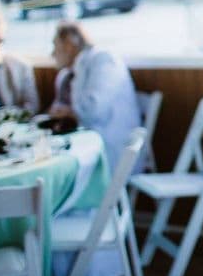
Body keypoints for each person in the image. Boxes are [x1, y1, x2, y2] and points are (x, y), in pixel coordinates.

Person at [49, 21, 141, 173]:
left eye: (55, 46)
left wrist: (67, 112)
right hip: (83, 146)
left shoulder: (103, 60)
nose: (52, 54)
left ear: (68, 45)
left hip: (111, 150)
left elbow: (93, 110)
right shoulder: (65, 75)